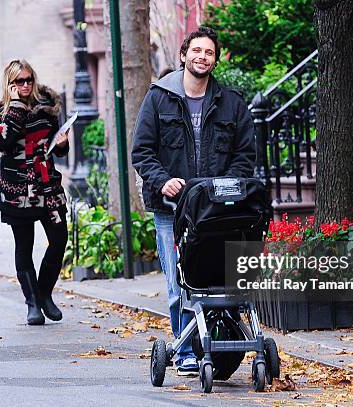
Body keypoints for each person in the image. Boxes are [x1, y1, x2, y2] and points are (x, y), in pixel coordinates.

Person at [131, 27, 255, 376]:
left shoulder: (231, 102)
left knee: (216, 281)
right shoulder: (159, 97)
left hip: (217, 211)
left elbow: (245, 155)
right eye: (196, 50)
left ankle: (220, 346)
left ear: (215, 60)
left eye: (209, 52)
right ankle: (184, 350)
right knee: (178, 283)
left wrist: (226, 186)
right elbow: (141, 151)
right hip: (171, 210)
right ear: (183, 55)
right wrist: (162, 180)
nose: (202, 56)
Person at [0, 59, 69, 325]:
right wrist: (18, 107)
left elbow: (58, 148)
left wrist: (61, 144)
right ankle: (32, 303)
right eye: (19, 81)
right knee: (24, 246)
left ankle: (44, 294)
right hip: (17, 189)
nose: (25, 85)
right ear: (9, 84)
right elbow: (5, 142)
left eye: (28, 80)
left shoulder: (47, 107)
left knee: (59, 240)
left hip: (48, 186)